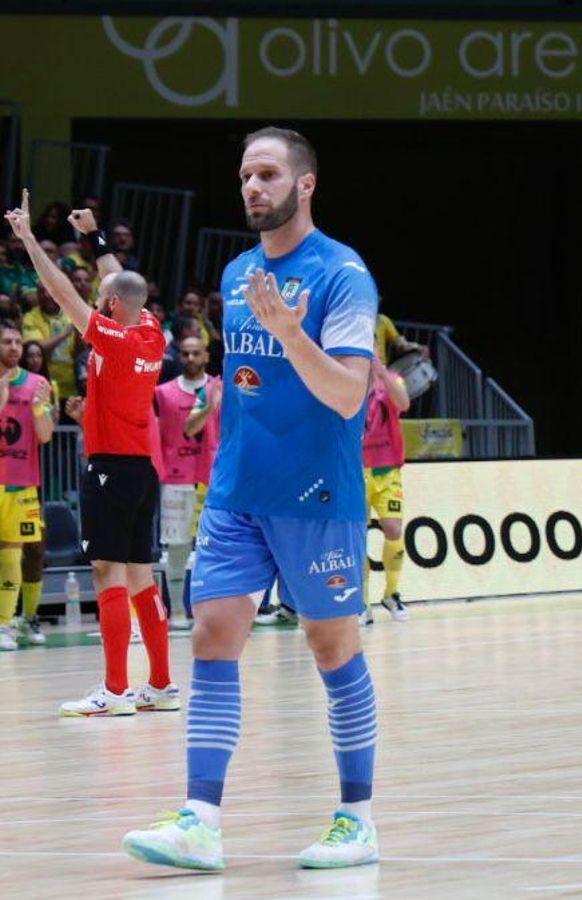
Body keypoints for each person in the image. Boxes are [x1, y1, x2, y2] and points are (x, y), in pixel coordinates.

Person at [121, 127, 384, 871]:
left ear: (305, 184)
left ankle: (357, 818)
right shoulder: (239, 272)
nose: (253, 187)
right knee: (212, 633)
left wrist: (292, 336)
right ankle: (200, 819)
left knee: (331, 646)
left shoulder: (343, 275)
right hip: (237, 491)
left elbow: (348, 395)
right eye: (245, 176)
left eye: (268, 174)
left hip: (316, 495)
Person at [7, 196, 173, 717]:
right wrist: (94, 235)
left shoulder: (116, 339)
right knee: (142, 578)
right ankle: (161, 685)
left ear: (114, 307)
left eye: (101, 299)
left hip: (110, 471)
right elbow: (119, 279)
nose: (95, 301)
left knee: (107, 574)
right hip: (140, 471)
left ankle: (116, 691)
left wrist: (28, 239)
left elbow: (61, 291)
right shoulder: (151, 331)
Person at [153, 336, 222, 630]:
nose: (191, 358)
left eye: (196, 353)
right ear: (179, 357)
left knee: (216, 547)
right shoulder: (162, 393)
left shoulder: (220, 389)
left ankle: (214, 611)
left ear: (206, 356)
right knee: (178, 546)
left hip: (214, 478)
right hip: (176, 478)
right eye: (185, 353)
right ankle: (178, 610)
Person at [0, 325, 49, 650]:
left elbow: (45, 435)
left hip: (20, 483)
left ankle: (9, 623)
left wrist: (39, 408)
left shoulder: (37, 384)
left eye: (18, 341)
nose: (14, 347)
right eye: (7, 342)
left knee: (16, 550)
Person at [361, 366, 411, 624]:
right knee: (356, 536)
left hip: (387, 469)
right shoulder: (347, 376)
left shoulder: (393, 379)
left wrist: (379, 372)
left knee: (393, 528)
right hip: (356, 470)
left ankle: (391, 594)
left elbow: (404, 403)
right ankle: (362, 603)